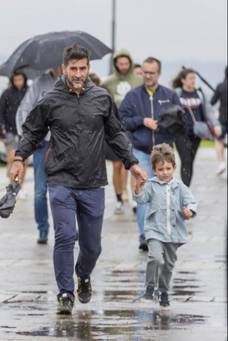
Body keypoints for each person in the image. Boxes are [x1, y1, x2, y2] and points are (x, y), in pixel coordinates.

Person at [11, 44, 146, 315]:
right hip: (61, 179)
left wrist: (132, 164)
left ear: (89, 68)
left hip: (93, 180)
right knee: (64, 236)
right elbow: (31, 131)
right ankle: (64, 292)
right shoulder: (50, 99)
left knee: (92, 246)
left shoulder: (101, 98)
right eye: (73, 68)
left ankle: (83, 273)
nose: (78, 73)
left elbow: (117, 134)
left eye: (82, 68)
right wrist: (18, 158)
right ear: (64, 69)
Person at [119, 57, 182, 251]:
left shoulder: (170, 95)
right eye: (145, 72)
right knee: (144, 194)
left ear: (159, 74)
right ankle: (145, 236)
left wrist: (166, 123)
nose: (147, 76)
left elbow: (181, 121)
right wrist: (141, 121)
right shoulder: (132, 96)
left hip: (164, 154)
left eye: (151, 73)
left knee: (164, 197)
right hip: (141, 151)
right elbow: (121, 121)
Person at [135, 143, 197, 312]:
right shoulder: (151, 185)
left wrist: (190, 210)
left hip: (174, 233)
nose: (165, 173)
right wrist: (138, 187)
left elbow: (191, 202)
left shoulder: (180, 187)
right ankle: (149, 288)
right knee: (155, 258)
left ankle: (163, 291)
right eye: (161, 169)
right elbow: (141, 200)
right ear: (154, 170)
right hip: (155, 230)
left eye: (168, 168)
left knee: (168, 265)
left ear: (174, 168)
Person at [15, 66, 62, 244]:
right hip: (44, 143)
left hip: (65, 143)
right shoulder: (40, 83)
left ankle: (66, 228)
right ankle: (43, 228)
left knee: (65, 189)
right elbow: (24, 111)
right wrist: (30, 135)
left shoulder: (72, 80)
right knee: (41, 190)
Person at [100, 50, 143, 213]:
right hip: (114, 129)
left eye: (126, 63)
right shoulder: (108, 83)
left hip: (134, 127)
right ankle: (118, 197)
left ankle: (134, 196)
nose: (124, 67)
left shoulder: (139, 81)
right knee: (117, 165)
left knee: (133, 163)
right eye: (121, 63)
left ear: (130, 63)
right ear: (115, 64)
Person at [172, 68, 221, 186]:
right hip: (181, 133)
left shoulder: (199, 94)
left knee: (190, 161)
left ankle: (185, 189)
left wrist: (216, 126)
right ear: (183, 80)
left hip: (196, 133)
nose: (193, 81)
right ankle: (185, 191)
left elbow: (209, 112)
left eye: (194, 78)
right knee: (186, 160)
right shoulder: (177, 94)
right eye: (190, 78)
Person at [0, 69, 28, 185]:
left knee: (23, 160)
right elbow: (0, 113)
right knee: (12, 158)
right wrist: (1, 132)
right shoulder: (7, 93)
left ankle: (20, 185)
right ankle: (12, 184)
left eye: (20, 79)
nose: (18, 82)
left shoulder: (28, 92)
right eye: (16, 80)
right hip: (10, 130)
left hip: (25, 131)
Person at [210, 67, 227, 177]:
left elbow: (212, 102)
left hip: (223, 119)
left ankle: (221, 163)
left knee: (218, 140)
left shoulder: (221, 86)